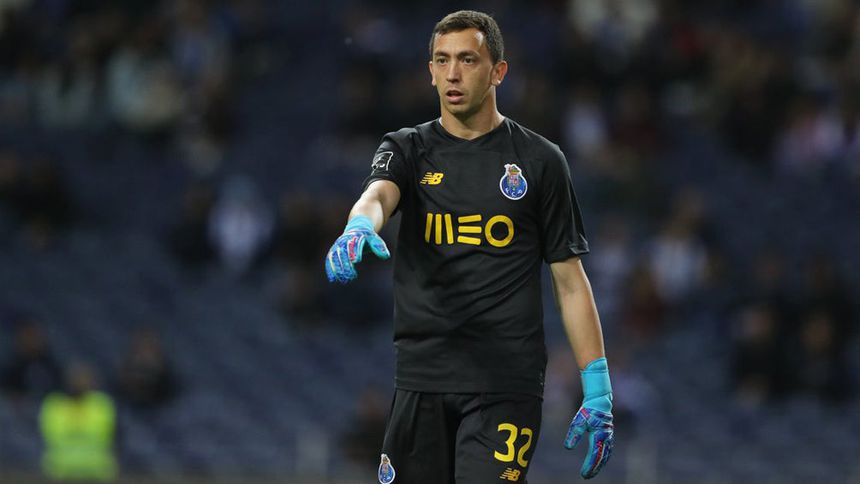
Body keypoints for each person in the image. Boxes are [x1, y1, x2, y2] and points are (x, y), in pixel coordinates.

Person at [324, 10, 614, 483]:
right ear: (430, 71)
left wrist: (597, 386)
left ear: (498, 71)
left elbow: (569, 281)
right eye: (442, 60)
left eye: (467, 59)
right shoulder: (406, 149)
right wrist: (358, 225)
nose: (453, 73)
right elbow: (378, 195)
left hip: (506, 385)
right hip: (421, 378)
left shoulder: (540, 161)